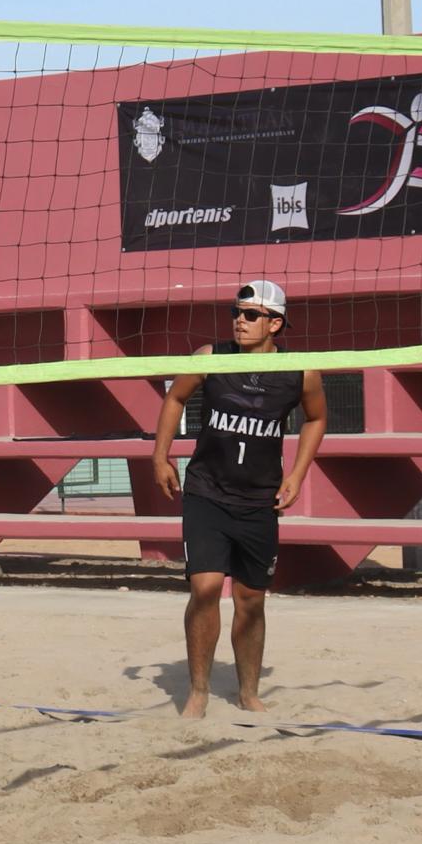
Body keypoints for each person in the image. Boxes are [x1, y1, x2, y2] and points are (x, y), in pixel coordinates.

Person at [152, 280, 327, 719]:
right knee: (206, 588)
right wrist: (160, 456)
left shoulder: (300, 369)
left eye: (250, 314)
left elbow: (317, 418)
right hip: (206, 491)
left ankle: (248, 692)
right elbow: (175, 397)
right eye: (236, 311)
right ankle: (198, 692)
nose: (239, 320)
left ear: (275, 323)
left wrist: (298, 473)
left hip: (259, 500)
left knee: (251, 600)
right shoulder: (211, 357)